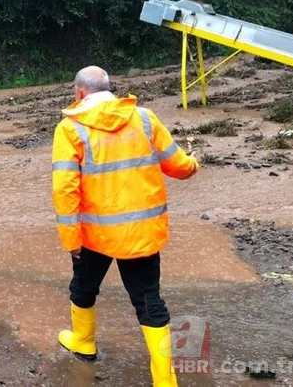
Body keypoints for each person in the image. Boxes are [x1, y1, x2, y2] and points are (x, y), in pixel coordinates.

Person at [51, 66, 199, 387]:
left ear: (79, 93)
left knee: (83, 288)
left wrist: (70, 238)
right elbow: (178, 164)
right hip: (142, 233)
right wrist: (194, 164)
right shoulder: (144, 118)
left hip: (95, 235)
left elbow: (64, 190)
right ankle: (165, 381)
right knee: (149, 301)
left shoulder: (70, 128)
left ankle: (83, 341)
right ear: (109, 88)